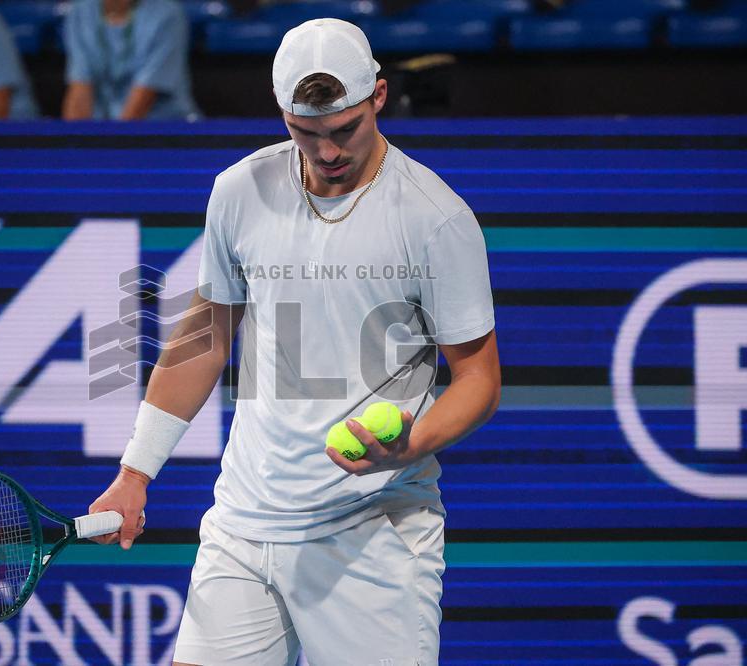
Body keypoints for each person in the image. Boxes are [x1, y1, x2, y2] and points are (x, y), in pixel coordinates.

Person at [87, 18, 501, 666]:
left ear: (380, 98)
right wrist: (135, 473)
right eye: (306, 133)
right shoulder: (239, 192)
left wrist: (410, 443)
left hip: (373, 536)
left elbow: (478, 379)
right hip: (244, 525)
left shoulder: (436, 217)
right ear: (283, 113)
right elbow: (205, 337)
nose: (328, 150)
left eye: (344, 129)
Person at [61, 0, 199, 120]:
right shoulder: (81, 11)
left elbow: (144, 98)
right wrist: (74, 142)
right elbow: (79, 86)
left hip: (165, 128)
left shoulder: (168, 14)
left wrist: (114, 145)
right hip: (104, 129)